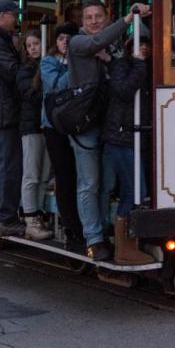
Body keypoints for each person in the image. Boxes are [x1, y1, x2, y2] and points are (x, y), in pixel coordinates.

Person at [69, 0, 151, 261]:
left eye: (98, 17)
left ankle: (107, 231)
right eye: (88, 17)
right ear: (82, 22)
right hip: (85, 125)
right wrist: (129, 19)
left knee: (106, 184)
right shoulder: (77, 43)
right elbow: (96, 43)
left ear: (106, 18)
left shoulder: (113, 46)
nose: (93, 21)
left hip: (107, 125)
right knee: (89, 183)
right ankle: (94, 239)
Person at [102, 36, 154, 264]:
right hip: (121, 137)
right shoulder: (121, 66)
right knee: (135, 191)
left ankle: (125, 245)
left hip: (138, 138)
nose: (143, 48)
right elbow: (123, 91)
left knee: (132, 191)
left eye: (146, 45)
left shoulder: (150, 69)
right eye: (138, 44)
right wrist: (140, 64)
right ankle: (124, 249)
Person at [40, 22, 83, 252]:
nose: (65, 42)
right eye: (61, 38)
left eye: (69, 38)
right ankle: (70, 229)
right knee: (64, 177)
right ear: (55, 42)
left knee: (79, 176)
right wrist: (74, 66)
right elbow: (55, 86)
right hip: (54, 126)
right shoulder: (48, 62)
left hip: (77, 125)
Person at [16, 30, 52, 241]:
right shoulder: (25, 71)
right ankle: (30, 217)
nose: (33, 48)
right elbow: (30, 95)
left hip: (47, 126)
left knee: (44, 174)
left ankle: (37, 212)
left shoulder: (48, 65)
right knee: (31, 173)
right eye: (29, 45)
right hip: (31, 127)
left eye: (36, 43)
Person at [0, 0, 25, 237]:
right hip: (6, 114)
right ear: (2, 16)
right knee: (10, 165)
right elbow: (12, 73)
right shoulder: (2, 43)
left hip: (5, 112)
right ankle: (6, 216)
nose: (16, 20)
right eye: (13, 16)